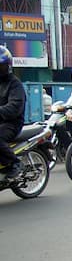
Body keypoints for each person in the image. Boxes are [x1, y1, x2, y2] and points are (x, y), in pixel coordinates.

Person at [0, 46, 26, 179]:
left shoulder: (15, 84)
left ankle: (14, 163)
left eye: (1, 66)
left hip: (12, 123)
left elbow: (15, 107)